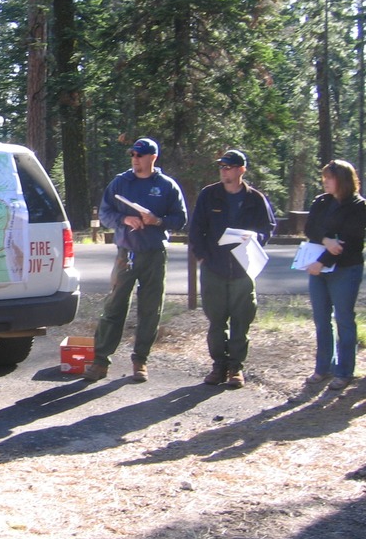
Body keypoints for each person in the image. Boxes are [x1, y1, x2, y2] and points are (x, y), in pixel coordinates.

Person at [84, 138, 188, 383]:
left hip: (154, 254)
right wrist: (125, 220)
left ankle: (140, 360)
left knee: (150, 310)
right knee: (114, 307)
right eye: (133, 155)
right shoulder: (121, 182)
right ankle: (100, 362)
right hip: (126, 254)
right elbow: (106, 213)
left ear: (153, 157)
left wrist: (157, 220)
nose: (135, 159)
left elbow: (180, 219)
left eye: (140, 155)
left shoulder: (167, 186)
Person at [189, 150, 276, 389]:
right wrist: (202, 257)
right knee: (216, 321)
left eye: (228, 167)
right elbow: (196, 230)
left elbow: (268, 228)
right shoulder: (209, 195)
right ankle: (218, 366)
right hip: (214, 268)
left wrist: (255, 237)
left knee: (241, 320)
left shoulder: (255, 199)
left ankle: (236, 367)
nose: (224, 171)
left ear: (241, 170)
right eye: (221, 167)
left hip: (243, 268)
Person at [303, 159, 366, 392]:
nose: (325, 182)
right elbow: (310, 228)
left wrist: (322, 262)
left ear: (343, 180)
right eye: (324, 177)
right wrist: (325, 240)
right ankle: (323, 368)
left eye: (329, 178)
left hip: (345, 269)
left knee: (344, 320)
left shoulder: (359, 206)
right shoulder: (321, 201)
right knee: (321, 320)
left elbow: (348, 243)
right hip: (317, 269)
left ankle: (344, 371)